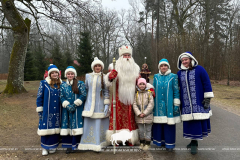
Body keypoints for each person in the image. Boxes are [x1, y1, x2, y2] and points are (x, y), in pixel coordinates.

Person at [177, 52, 214, 155]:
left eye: (186, 59)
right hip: (186, 103)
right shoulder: (179, 73)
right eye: (182, 60)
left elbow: (207, 83)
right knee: (189, 123)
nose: (184, 62)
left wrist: (208, 98)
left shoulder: (200, 69)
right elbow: (178, 87)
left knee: (197, 122)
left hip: (199, 102)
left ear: (191, 59)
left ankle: (194, 143)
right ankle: (193, 141)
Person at [104, 45, 140, 146]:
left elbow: (140, 82)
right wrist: (111, 76)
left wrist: (148, 88)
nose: (127, 57)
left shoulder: (136, 68)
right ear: (121, 56)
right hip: (117, 98)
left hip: (131, 98)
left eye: (129, 55)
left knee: (130, 118)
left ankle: (129, 139)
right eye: (125, 55)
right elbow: (108, 82)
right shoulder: (114, 66)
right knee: (117, 118)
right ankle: (117, 140)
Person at [78, 57, 110, 151]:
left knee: (99, 122)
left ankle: (100, 142)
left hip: (100, 104)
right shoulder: (88, 76)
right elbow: (86, 89)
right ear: (93, 67)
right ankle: (88, 143)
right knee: (90, 122)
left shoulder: (105, 77)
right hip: (89, 103)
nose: (97, 67)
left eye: (99, 66)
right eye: (95, 66)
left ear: (101, 67)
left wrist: (106, 104)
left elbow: (106, 91)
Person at [152, 59, 181, 151]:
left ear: (168, 66)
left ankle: (169, 144)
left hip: (169, 104)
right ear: (159, 67)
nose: (163, 67)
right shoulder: (156, 77)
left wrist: (176, 103)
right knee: (159, 124)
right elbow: (153, 90)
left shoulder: (173, 76)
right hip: (158, 104)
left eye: (165, 65)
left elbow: (176, 90)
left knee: (169, 124)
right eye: (161, 66)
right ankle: (160, 142)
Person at [36, 64, 62, 156]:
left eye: (56, 73)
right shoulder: (44, 83)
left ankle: (53, 146)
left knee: (55, 128)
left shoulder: (60, 84)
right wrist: (40, 109)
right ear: (49, 74)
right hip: (47, 110)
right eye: (53, 73)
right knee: (46, 127)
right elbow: (39, 97)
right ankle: (44, 148)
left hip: (58, 111)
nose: (55, 74)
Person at [60, 66, 87, 153]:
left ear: (74, 75)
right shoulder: (63, 85)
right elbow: (61, 96)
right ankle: (68, 146)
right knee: (67, 125)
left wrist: (75, 104)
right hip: (66, 109)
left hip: (77, 109)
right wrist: (67, 105)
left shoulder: (80, 83)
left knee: (76, 125)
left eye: (72, 74)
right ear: (66, 75)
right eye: (68, 74)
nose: (70, 75)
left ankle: (77, 144)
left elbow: (83, 95)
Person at [133, 78, 154, 151]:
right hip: (139, 117)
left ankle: (148, 143)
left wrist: (145, 113)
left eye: (143, 84)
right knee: (141, 130)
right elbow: (134, 105)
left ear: (145, 85)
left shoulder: (149, 93)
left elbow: (151, 104)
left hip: (148, 116)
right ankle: (142, 142)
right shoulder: (136, 94)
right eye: (140, 84)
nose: (142, 86)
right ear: (138, 85)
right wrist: (138, 113)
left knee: (148, 130)